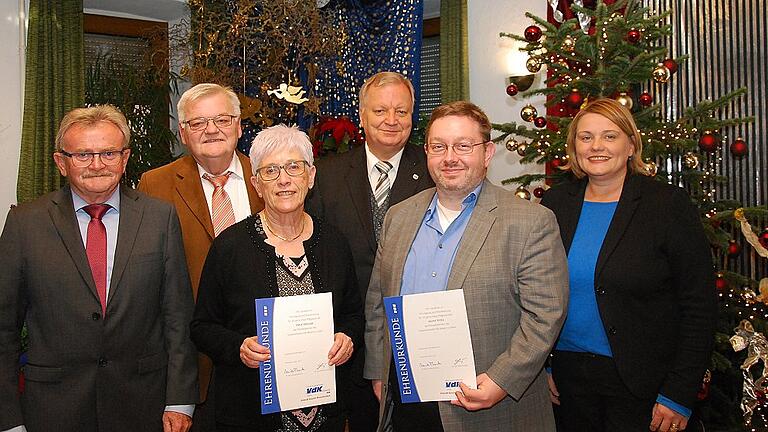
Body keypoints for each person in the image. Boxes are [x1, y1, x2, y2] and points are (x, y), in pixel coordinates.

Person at [364, 101, 569, 432]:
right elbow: (377, 302)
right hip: (407, 402)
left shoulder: (530, 222)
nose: (450, 157)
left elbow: (545, 315)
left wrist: (501, 381)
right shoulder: (398, 217)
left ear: (487, 153)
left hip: (489, 407)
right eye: (438, 147)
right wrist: (379, 373)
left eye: (463, 146)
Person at [0, 105, 198, 432]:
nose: (97, 165)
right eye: (83, 155)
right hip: (53, 409)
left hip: (142, 406)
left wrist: (179, 400)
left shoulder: (159, 218)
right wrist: (8, 418)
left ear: (125, 158)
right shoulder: (25, 224)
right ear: (61, 162)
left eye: (108, 153)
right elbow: (4, 328)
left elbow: (177, 316)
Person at [540, 98, 716, 432]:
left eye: (609, 136)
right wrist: (545, 366)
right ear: (574, 146)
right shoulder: (555, 203)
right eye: (585, 137)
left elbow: (699, 306)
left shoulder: (666, 205)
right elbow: (540, 292)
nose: (596, 146)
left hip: (644, 383)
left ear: (631, 145)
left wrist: (679, 393)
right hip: (568, 380)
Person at [190, 124, 363, 432]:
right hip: (251, 416)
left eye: (294, 167)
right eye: (271, 171)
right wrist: (239, 346)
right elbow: (202, 327)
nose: (284, 180)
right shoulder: (230, 247)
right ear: (256, 183)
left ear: (310, 176)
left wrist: (348, 338)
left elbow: (353, 314)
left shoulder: (335, 243)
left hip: (327, 419)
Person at [306, 71, 433, 431]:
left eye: (401, 111)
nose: (391, 120)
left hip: (417, 335)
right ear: (361, 116)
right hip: (346, 339)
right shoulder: (326, 175)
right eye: (380, 111)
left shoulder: (433, 171)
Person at [138, 83, 264, 428]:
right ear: (182, 132)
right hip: (190, 361)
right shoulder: (155, 185)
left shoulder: (268, 177)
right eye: (198, 123)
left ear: (240, 126)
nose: (211, 130)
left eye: (222, 119)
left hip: (264, 355)